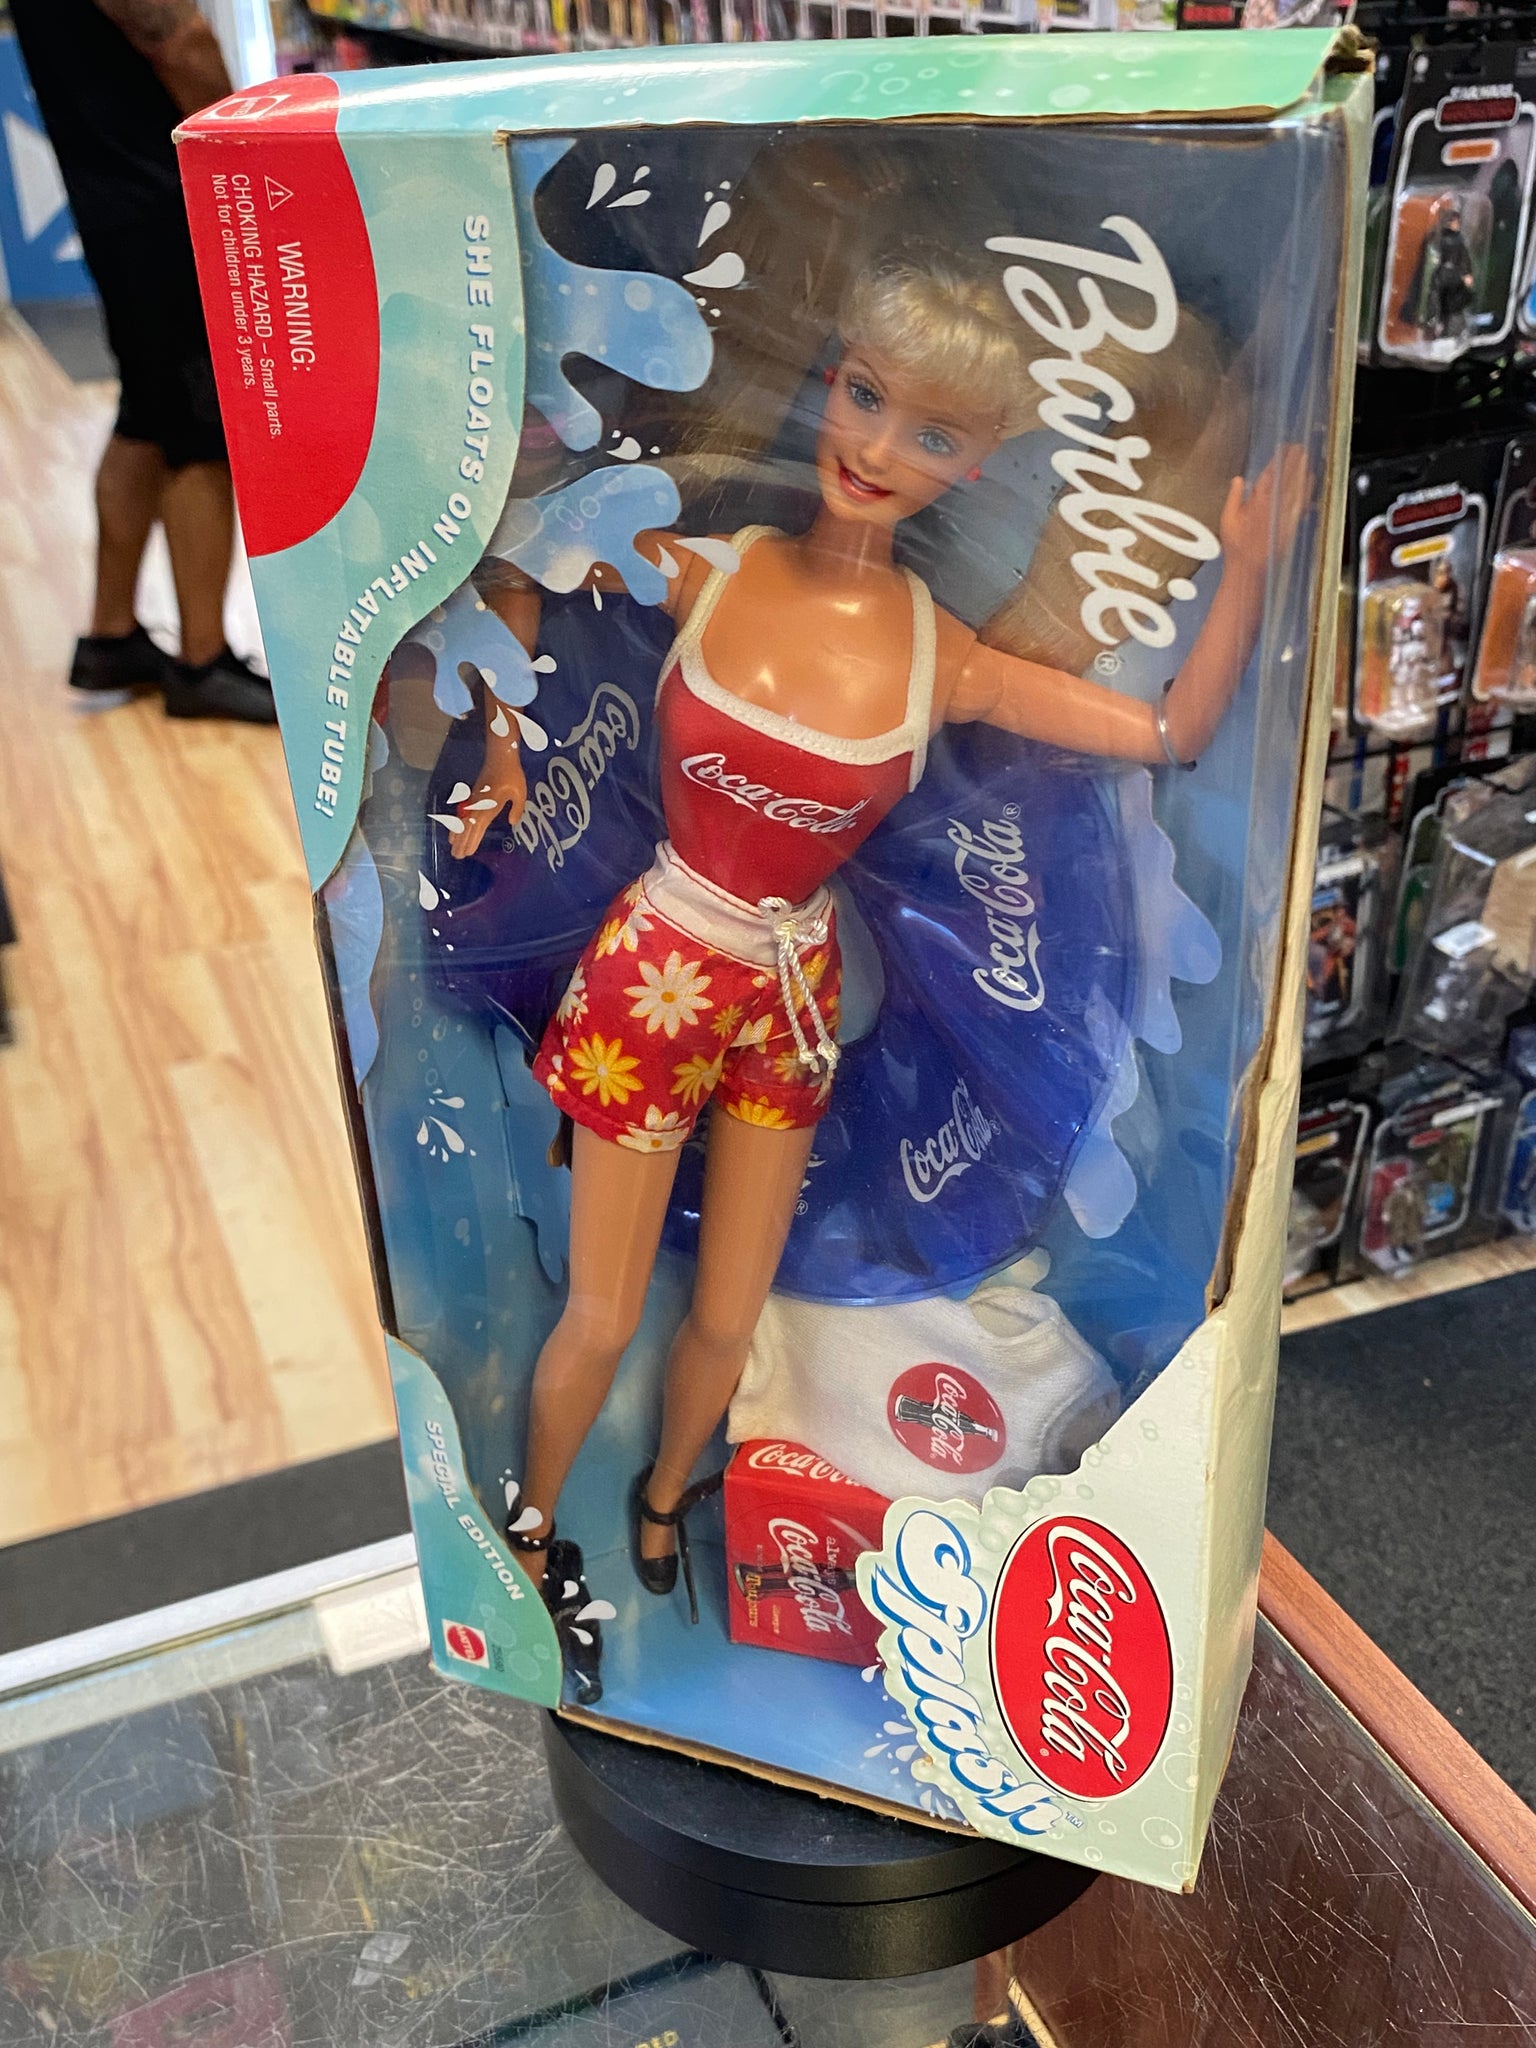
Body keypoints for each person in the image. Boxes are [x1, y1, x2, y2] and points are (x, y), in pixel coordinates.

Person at [450, 247, 1307, 1694]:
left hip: (789, 999)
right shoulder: (710, 571)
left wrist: (1251, 567)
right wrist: (497, 747)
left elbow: (1170, 733)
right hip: (659, 972)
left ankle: (667, 1495)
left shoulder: (940, 654)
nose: (877, 448)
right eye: (863, 396)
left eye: (934, 433)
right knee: (601, 1307)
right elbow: (522, 563)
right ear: (828, 379)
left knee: (733, 1309)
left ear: (977, 460)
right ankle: (527, 1540)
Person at [10, 0, 274, 723]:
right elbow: (179, 38)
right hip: (164, 193)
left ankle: (112, 636)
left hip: (113, 187)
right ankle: (201, 662)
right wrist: (246, 147)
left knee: (147, 413)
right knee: (200, 425)